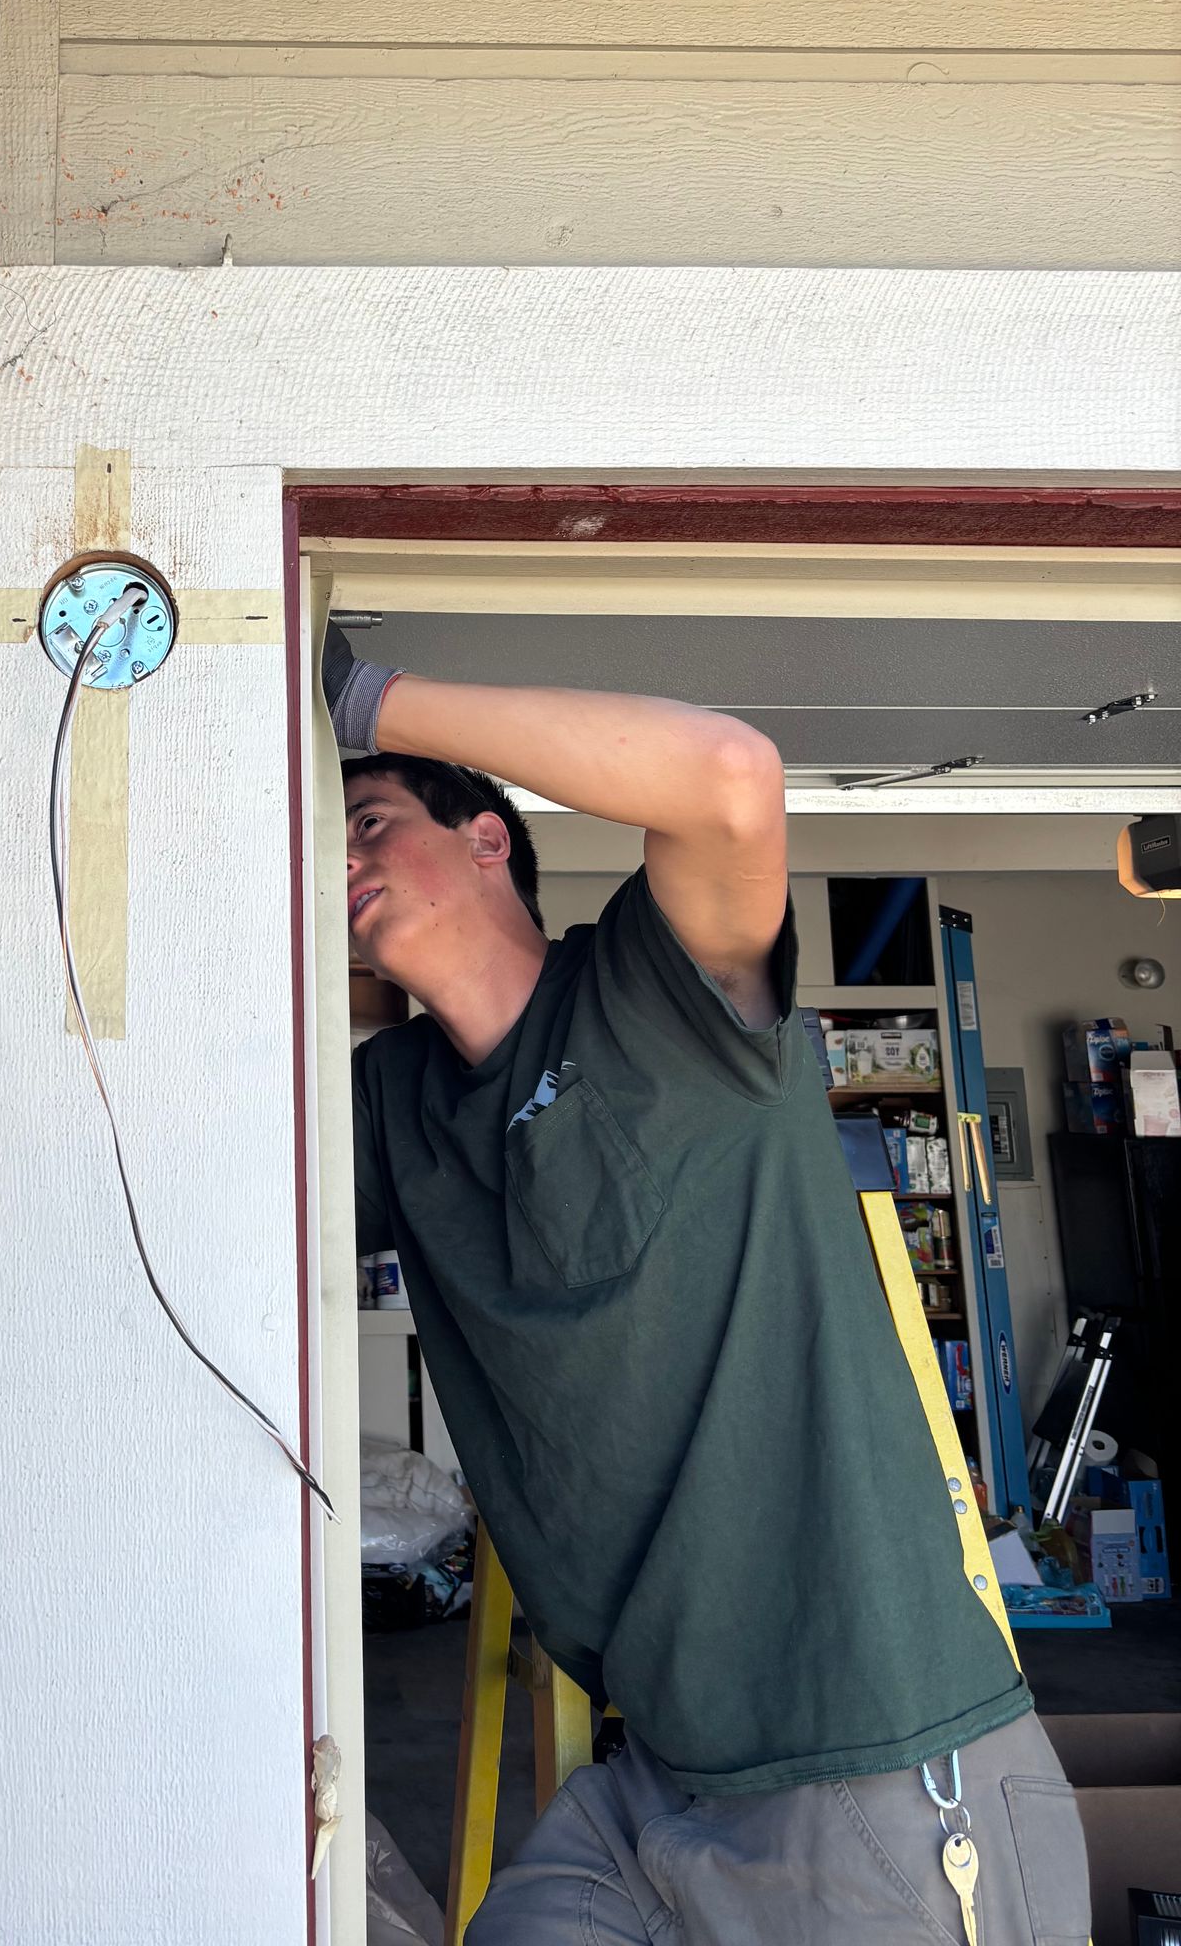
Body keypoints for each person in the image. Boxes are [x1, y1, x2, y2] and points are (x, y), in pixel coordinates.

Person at [327, 628, 1090, 1946]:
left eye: (374, 822)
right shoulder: (391, 1107)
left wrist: (362, 701)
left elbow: (729, 775)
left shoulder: (653, 996)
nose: (344, 860)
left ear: (489, 840)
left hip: (862, 1756)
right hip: (646, 1780)